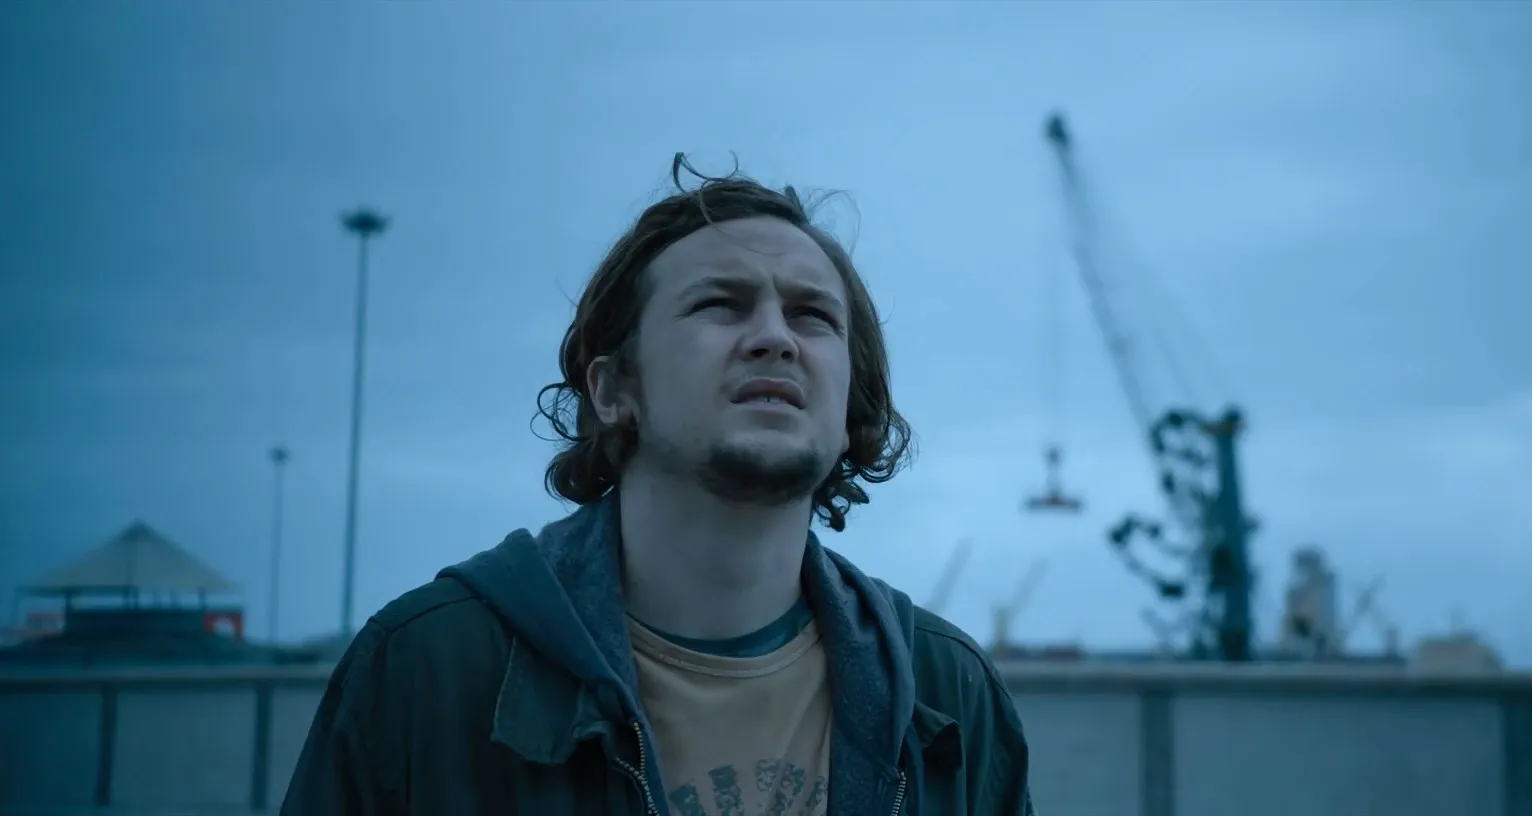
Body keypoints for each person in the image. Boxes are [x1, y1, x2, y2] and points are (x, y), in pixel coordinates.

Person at [282, 157, 1036, 816]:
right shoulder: (428, 670)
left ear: (850, 412)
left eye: (812, 316)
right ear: (613, 390)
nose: (775, 337)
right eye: (720, 305)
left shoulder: (948, 694)